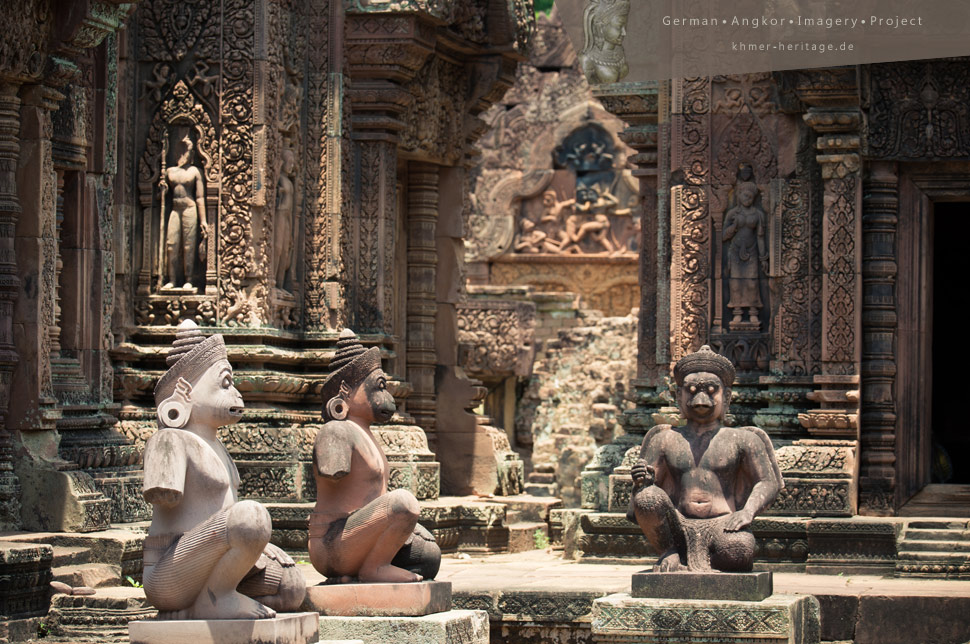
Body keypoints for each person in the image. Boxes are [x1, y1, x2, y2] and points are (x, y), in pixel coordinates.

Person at [142, 320, 305, 619]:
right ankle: (213, 600)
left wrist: (258, 547)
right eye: (225, 383)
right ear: (185, 391)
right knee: (250, 516)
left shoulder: (217, 447)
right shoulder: (169, 439)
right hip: (170, 569)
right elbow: (165, 497)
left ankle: (209, 599)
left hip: (215, 561)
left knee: (291, 586)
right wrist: (246, 529)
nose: (236, 393)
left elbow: (222, 517)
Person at [627, 345, 783, 572]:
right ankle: (669, 553)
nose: (700, 400)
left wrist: (747, 511)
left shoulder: (743, 438)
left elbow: (768, 482)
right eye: (691, 391)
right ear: (678, 396)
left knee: (740, 551)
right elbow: (642, 499)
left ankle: (695, 560)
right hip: (677, 525)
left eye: (711, 390)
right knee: (647, 497)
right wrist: (642, 483)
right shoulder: (664, 439)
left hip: (723, 525)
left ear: (726, 397)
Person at [308, 329, 440, 583]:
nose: (387, 397)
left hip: (362, 534)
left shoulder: (365, 434)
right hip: (334, 540)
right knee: (403, 503)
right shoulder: (336, 430)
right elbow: (331, 471)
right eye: (379, 387)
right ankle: (373, 569)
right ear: (346, 392)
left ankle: (367, 567)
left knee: (427, 554)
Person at [160, 131, 207, 290]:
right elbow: (162, 195)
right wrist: (162, 189)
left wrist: (203, 220)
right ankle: (172, 279)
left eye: (188, 150)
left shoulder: (195, 171)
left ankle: (188, 279)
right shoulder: (169, 171)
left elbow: (200, 197)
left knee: (188, 245)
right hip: (175, 208)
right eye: (181, 149)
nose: (184, 154)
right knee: (171, 244)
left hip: (189, 208)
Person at [723, 181, 768, 326]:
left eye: (750, 197)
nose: (747, 199)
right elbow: (723, 236)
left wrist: (763, 258)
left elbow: (760, 237)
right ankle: (737, 311)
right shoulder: (732, 213)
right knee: (735, 282)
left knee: (751, 281)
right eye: (745, 196)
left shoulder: (758, 214)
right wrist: (734, 226)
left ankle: (753, 311)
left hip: (752, 251)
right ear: (739, 195)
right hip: (735, 251)